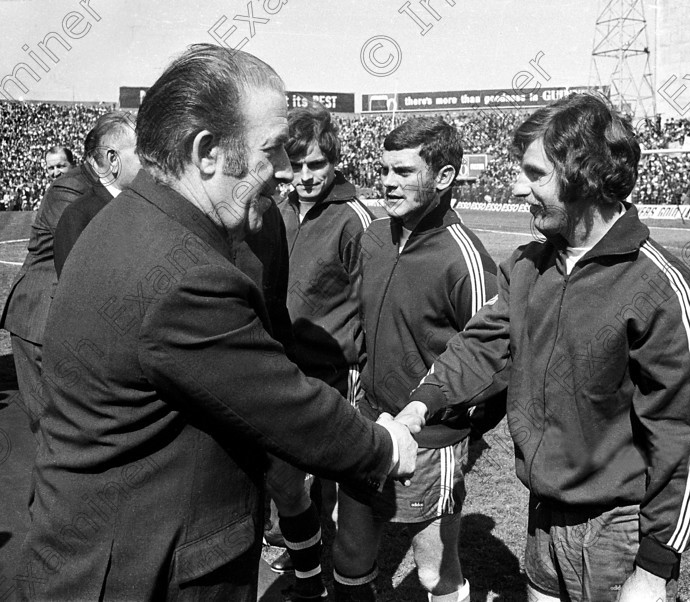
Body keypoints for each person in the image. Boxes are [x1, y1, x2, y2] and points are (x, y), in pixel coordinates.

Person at [16, 43, 417, 601]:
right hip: (143, 567)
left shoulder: (128, 220)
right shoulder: (182, 274)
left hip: (104, 550)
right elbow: (278, 401)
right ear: (206, 153)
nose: (282, 173)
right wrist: (385, 446)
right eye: (272, 151)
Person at [396, 95, 690, 601]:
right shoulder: (528, 265)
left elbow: (684, 437)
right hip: (544, 511)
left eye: (533, 174)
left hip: (621, 526)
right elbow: (484, 344)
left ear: (583, 175)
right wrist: (423, 402)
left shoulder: (663, 290)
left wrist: (655, 568)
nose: (516, 188)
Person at [332, 117, 500, 602]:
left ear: (443, 178)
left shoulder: (464, 259)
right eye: (385, 169)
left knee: (435, 576)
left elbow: (493, 357)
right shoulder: (374, 238)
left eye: (404, 171)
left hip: (430, 441)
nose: (388, 181)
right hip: (366, 427)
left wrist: (455, 430)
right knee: (350, 556)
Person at [262, 104, 374, 594]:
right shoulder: (277, 211)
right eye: (298, 165)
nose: (306, 177)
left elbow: (373, 303)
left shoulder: (356, 220)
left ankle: (345, 576)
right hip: (281, 371)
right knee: (285, 484)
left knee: (336, 491)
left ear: (334, 163)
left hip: (334, 374)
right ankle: (309, 578)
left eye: (317, 165)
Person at [1, 133, 102, 434]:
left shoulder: (70, 191)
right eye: (51, 169)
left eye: (61, 166)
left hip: (48, 310)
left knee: (58, 419)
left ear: (73, 164)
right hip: (37, 311)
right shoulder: (64, 192)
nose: (56, 173)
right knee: (49, 421)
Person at [53, 111, 141, 276]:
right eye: (141, 151)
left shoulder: (148, 206)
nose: (151, 159)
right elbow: (74, 290)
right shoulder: (79, 217)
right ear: (113, 160)